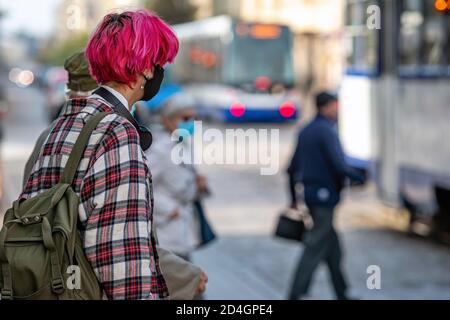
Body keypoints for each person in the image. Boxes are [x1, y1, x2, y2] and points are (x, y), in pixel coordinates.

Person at [22, 50, 207, 300]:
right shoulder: (115, 132)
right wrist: (184, 276)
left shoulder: (57, 131)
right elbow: (117, 249)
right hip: (79, 281)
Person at [287, 91, 365, 300]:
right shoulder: (326, 131)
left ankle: (342, 293)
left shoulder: (305, 131)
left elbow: (291, 168)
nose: (337, 110)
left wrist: (293, 197)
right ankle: (295, 294)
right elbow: (338, 164)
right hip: (324, 197)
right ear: (326, 107)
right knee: (314, 247)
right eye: (335, 105)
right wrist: (359, 176)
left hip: (311, 195)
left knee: (333, 249)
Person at [144, 92, 209, 262]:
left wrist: (199, 185)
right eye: (185, 118)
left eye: (194, 118)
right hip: (165, 235)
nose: (191, 123)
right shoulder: (160, 150)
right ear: (168, 120)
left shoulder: (184, 145)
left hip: (183, 232)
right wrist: (168, 210)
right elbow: (142, 185)